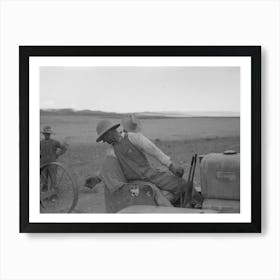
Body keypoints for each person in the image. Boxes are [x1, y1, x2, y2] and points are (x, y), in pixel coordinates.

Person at [95, 119, 201, 208]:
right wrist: (97, 178)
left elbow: (154, 151)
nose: (104, 141)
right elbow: (109, 169)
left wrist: (171, 166)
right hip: (135, 181)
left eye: (103, 138)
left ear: (109, 133)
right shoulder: (111, 151)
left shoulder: (133, 138)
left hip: (152, 175)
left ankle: (198, 206)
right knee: (157, 196)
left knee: (184, 185)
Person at [40, 126, 68, 191]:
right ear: (43, 134)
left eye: (48, 134)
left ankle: (54, 196)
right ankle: (45, 195)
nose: (47, 135)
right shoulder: (40, 143)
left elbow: (64, 148)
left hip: (52, 164)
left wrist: (57, 155)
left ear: (50, 134)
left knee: (53, 180)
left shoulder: (55, 142)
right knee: (43, 181)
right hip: (43, 164)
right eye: (45, 134)